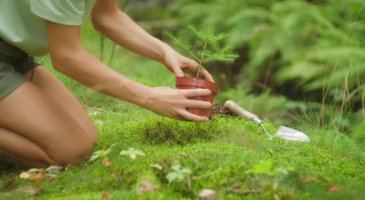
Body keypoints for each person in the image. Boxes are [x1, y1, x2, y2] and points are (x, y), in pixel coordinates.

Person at [0, 0, 214, 168]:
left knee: (88, 141)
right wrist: (149, 97)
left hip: (16, 55)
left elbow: (107, 16)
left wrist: (163, 52)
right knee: (70, 152)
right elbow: (66, 57)